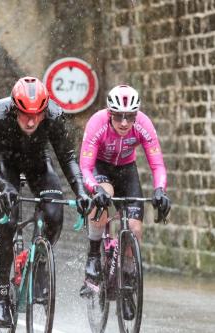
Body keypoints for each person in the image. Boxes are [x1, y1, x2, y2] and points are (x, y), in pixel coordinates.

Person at [0, 76, 91, 328]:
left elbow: (67, 157)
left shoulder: (53, 115)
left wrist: (81, 191)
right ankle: (0, 290)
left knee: (54, 214)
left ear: (44, 111)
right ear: (14, 109)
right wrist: (3, 187)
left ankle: (39, 264)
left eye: (37, 115)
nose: (31, 121)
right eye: (25, 115)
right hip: (5, 166)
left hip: (38, 165)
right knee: (8, 224)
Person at [79, 84, 171, 320]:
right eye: (118, 116)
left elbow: (157, 164)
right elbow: (86, 167)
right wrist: (94, 189)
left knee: (135, 228)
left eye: (129, 116)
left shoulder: (143, 124)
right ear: (110, 113)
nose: (123, 122)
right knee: (103, 196)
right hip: (100, 169)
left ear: (135, 114)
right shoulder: (97, 123)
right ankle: (93, 255)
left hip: (126, 170)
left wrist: (160, 190)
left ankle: (127, 285)